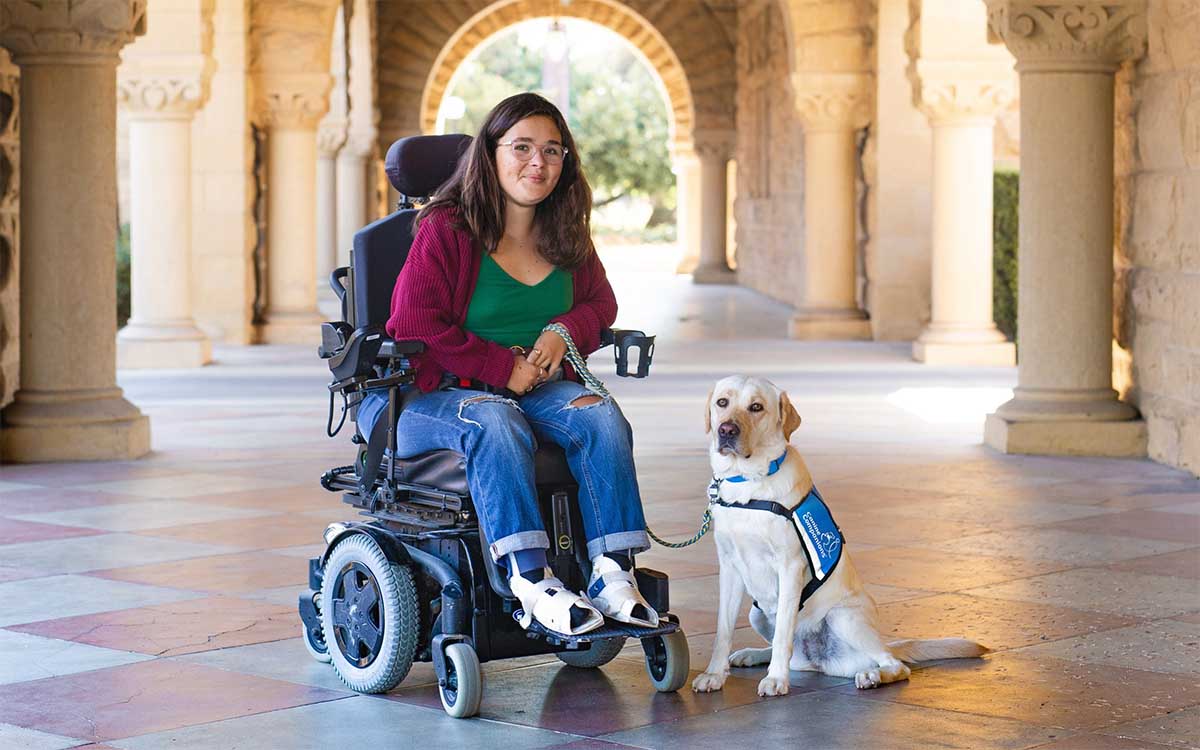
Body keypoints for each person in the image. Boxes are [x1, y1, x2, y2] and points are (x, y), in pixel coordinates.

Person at [355, 92, 657, 637]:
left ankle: (612, 572)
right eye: (521, 147)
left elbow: (599, 305)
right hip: (423, 396)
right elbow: (415, 324)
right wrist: (502, 368)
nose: (536, 163)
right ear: (490, 154)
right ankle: (529, 579)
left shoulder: (566, 229)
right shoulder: (447, 227)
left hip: (533, 390)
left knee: (600, 415)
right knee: (494, 420)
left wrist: (562, 332)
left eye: (551, 150)